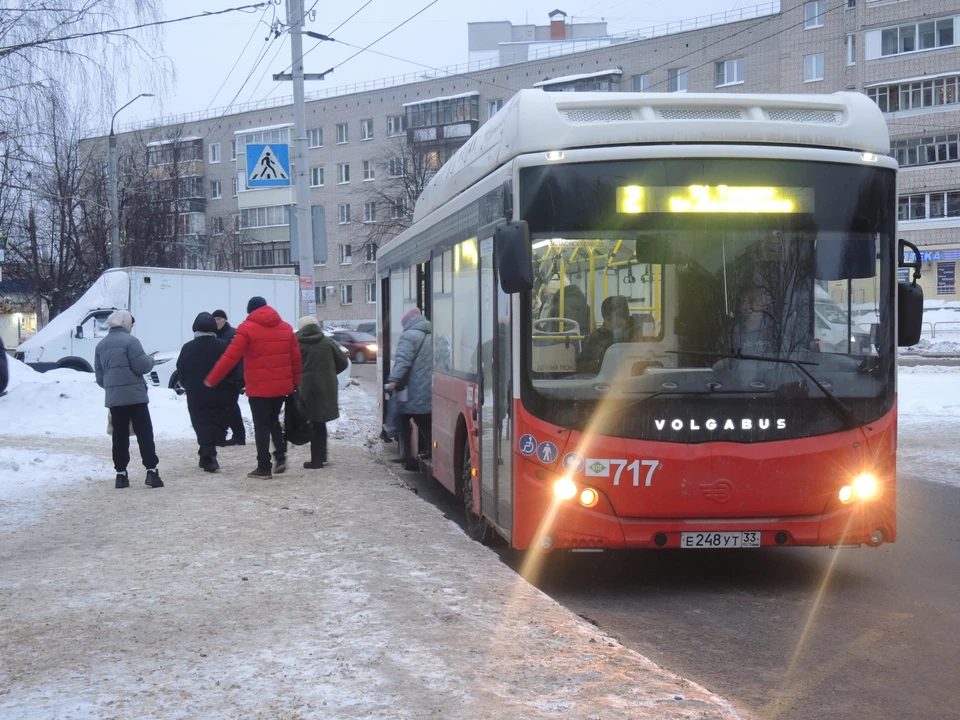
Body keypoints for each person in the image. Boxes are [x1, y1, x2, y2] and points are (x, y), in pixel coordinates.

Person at [205, 296, 301, 479]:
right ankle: (280, 456)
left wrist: (213, 378)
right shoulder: (286, 328)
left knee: (261, 425)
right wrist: (296, 382)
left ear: (250, 311)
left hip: (259, 387)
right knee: (273, 420)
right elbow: (296, 359)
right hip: (281, 387)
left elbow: (230, 357)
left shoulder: (247, 328)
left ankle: (264, 466)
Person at [94, 310, 162, 489]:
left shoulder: (101, 345)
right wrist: (150, 360)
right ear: (125, 323)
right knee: (144, 434)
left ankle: (121, 475)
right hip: (136, 398)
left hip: (115, 399)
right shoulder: (131, 342)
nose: (131, 326)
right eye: (131, 323)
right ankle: (152, 472)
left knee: (119, 436)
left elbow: (100, 378)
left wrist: (113, 387)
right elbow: (142, 366)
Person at [177, 312, 237, 473]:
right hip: (219, 391)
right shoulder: (222, 345)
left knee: (200, 422)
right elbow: (232, 368)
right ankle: (208, 454)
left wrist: (187, 385)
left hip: (196, 393)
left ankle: (208, 454)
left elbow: (180, 370)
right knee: (215, 421)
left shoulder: (188, 347)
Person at [295, 316, 349, 469]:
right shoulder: (327, 342)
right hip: (326, 386)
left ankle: (316, 460)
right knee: (320, 421)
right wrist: (329, 373)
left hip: (306, 387)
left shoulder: (296, 343)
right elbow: (343, 362)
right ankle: (321, 456)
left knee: (312, 421)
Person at [385, 307, 433, 471]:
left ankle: (408, 457)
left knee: (402, 418)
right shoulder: (433, 334)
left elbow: (403, 361)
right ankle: (430, 450)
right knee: (423, 418)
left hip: (413, 387)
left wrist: (393, 380)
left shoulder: (409, 336)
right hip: (430, 386)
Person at [577, 296, 640, 375]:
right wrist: (599, 362)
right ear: (605, 319)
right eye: (609, 319)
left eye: (617, 319)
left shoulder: (637, 333)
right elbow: (582, 365)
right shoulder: (596, 337)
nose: (613, 323)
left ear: (625, 317)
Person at [212, 309, 246, 446]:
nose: (217, 322)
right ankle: (234, 435)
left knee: (230, 407)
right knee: (225, 406)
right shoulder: (214, 335)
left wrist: (238, 378)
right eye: (214, 319)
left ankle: (238, 435)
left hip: (232, 378)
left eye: (219, 319)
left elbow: (238, 357)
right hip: (220, 377)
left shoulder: (233, 333)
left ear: (225, 320)